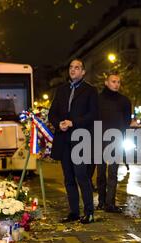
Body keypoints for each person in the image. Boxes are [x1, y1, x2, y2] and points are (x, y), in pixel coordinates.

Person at [48, 58, 98, 224]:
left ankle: (89, 212)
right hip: (64, 139)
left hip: (81, 139)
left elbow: (93, 115)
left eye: (77, 68)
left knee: (82, 176)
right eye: (71, 67)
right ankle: (74, 212)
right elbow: (52, 113)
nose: (73, 70)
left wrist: (73, 122)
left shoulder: (90, 90)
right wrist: (59, 123)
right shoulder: (61, 90)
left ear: (83, 72)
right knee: (68, 177)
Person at [96, 72, 131, 213]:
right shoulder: (97, 100)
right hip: (99, 139)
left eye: (118, 82)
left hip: (116, 139)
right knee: (100, 173)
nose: (116, 84)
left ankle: (110, 203)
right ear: (106, 82)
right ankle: (101, 201)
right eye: (113, 81)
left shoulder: (124, 101)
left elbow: (127, 120)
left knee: (113, 172)